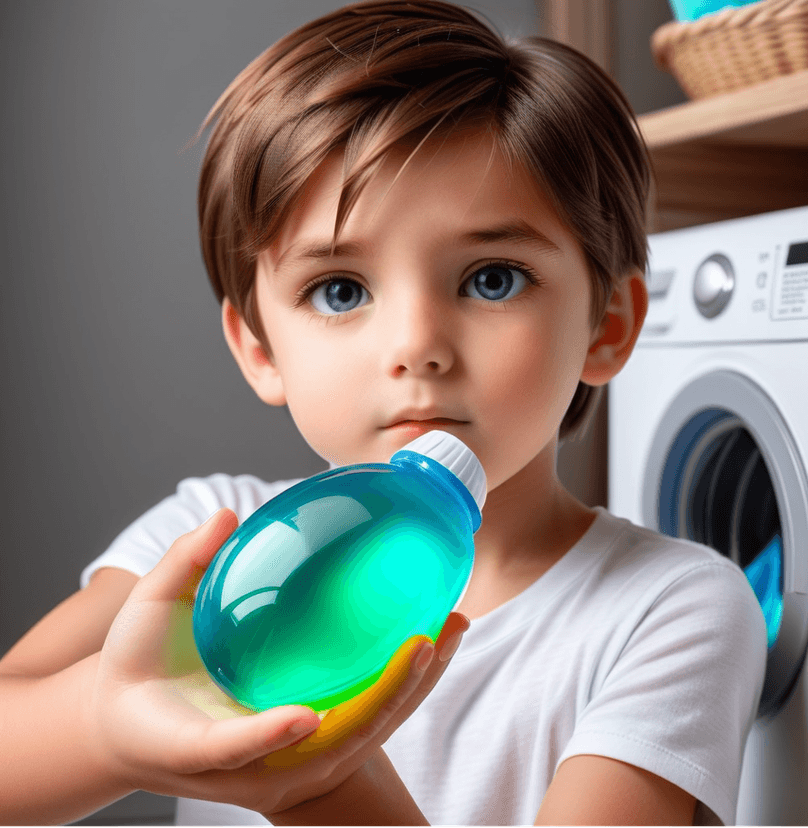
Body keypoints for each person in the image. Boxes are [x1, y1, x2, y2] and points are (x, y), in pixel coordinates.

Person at [0, 1, 767, 826]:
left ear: (606, 327)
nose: (417, 346)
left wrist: (317, 784)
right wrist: (107, 732)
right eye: (340, 291)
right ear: (259, 346)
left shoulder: (671, 609)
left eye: (492, 278)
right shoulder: (206, 546)